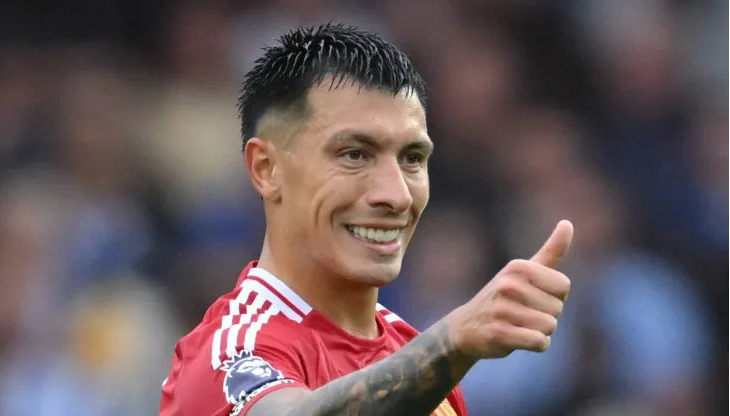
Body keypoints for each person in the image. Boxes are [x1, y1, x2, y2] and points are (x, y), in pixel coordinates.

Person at [159, 23, 573, 416]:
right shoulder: (233, 349)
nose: (396, 195)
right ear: (266, 169)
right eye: (354, 154)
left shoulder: (416, 358)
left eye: (412, 159)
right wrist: (451, 343)